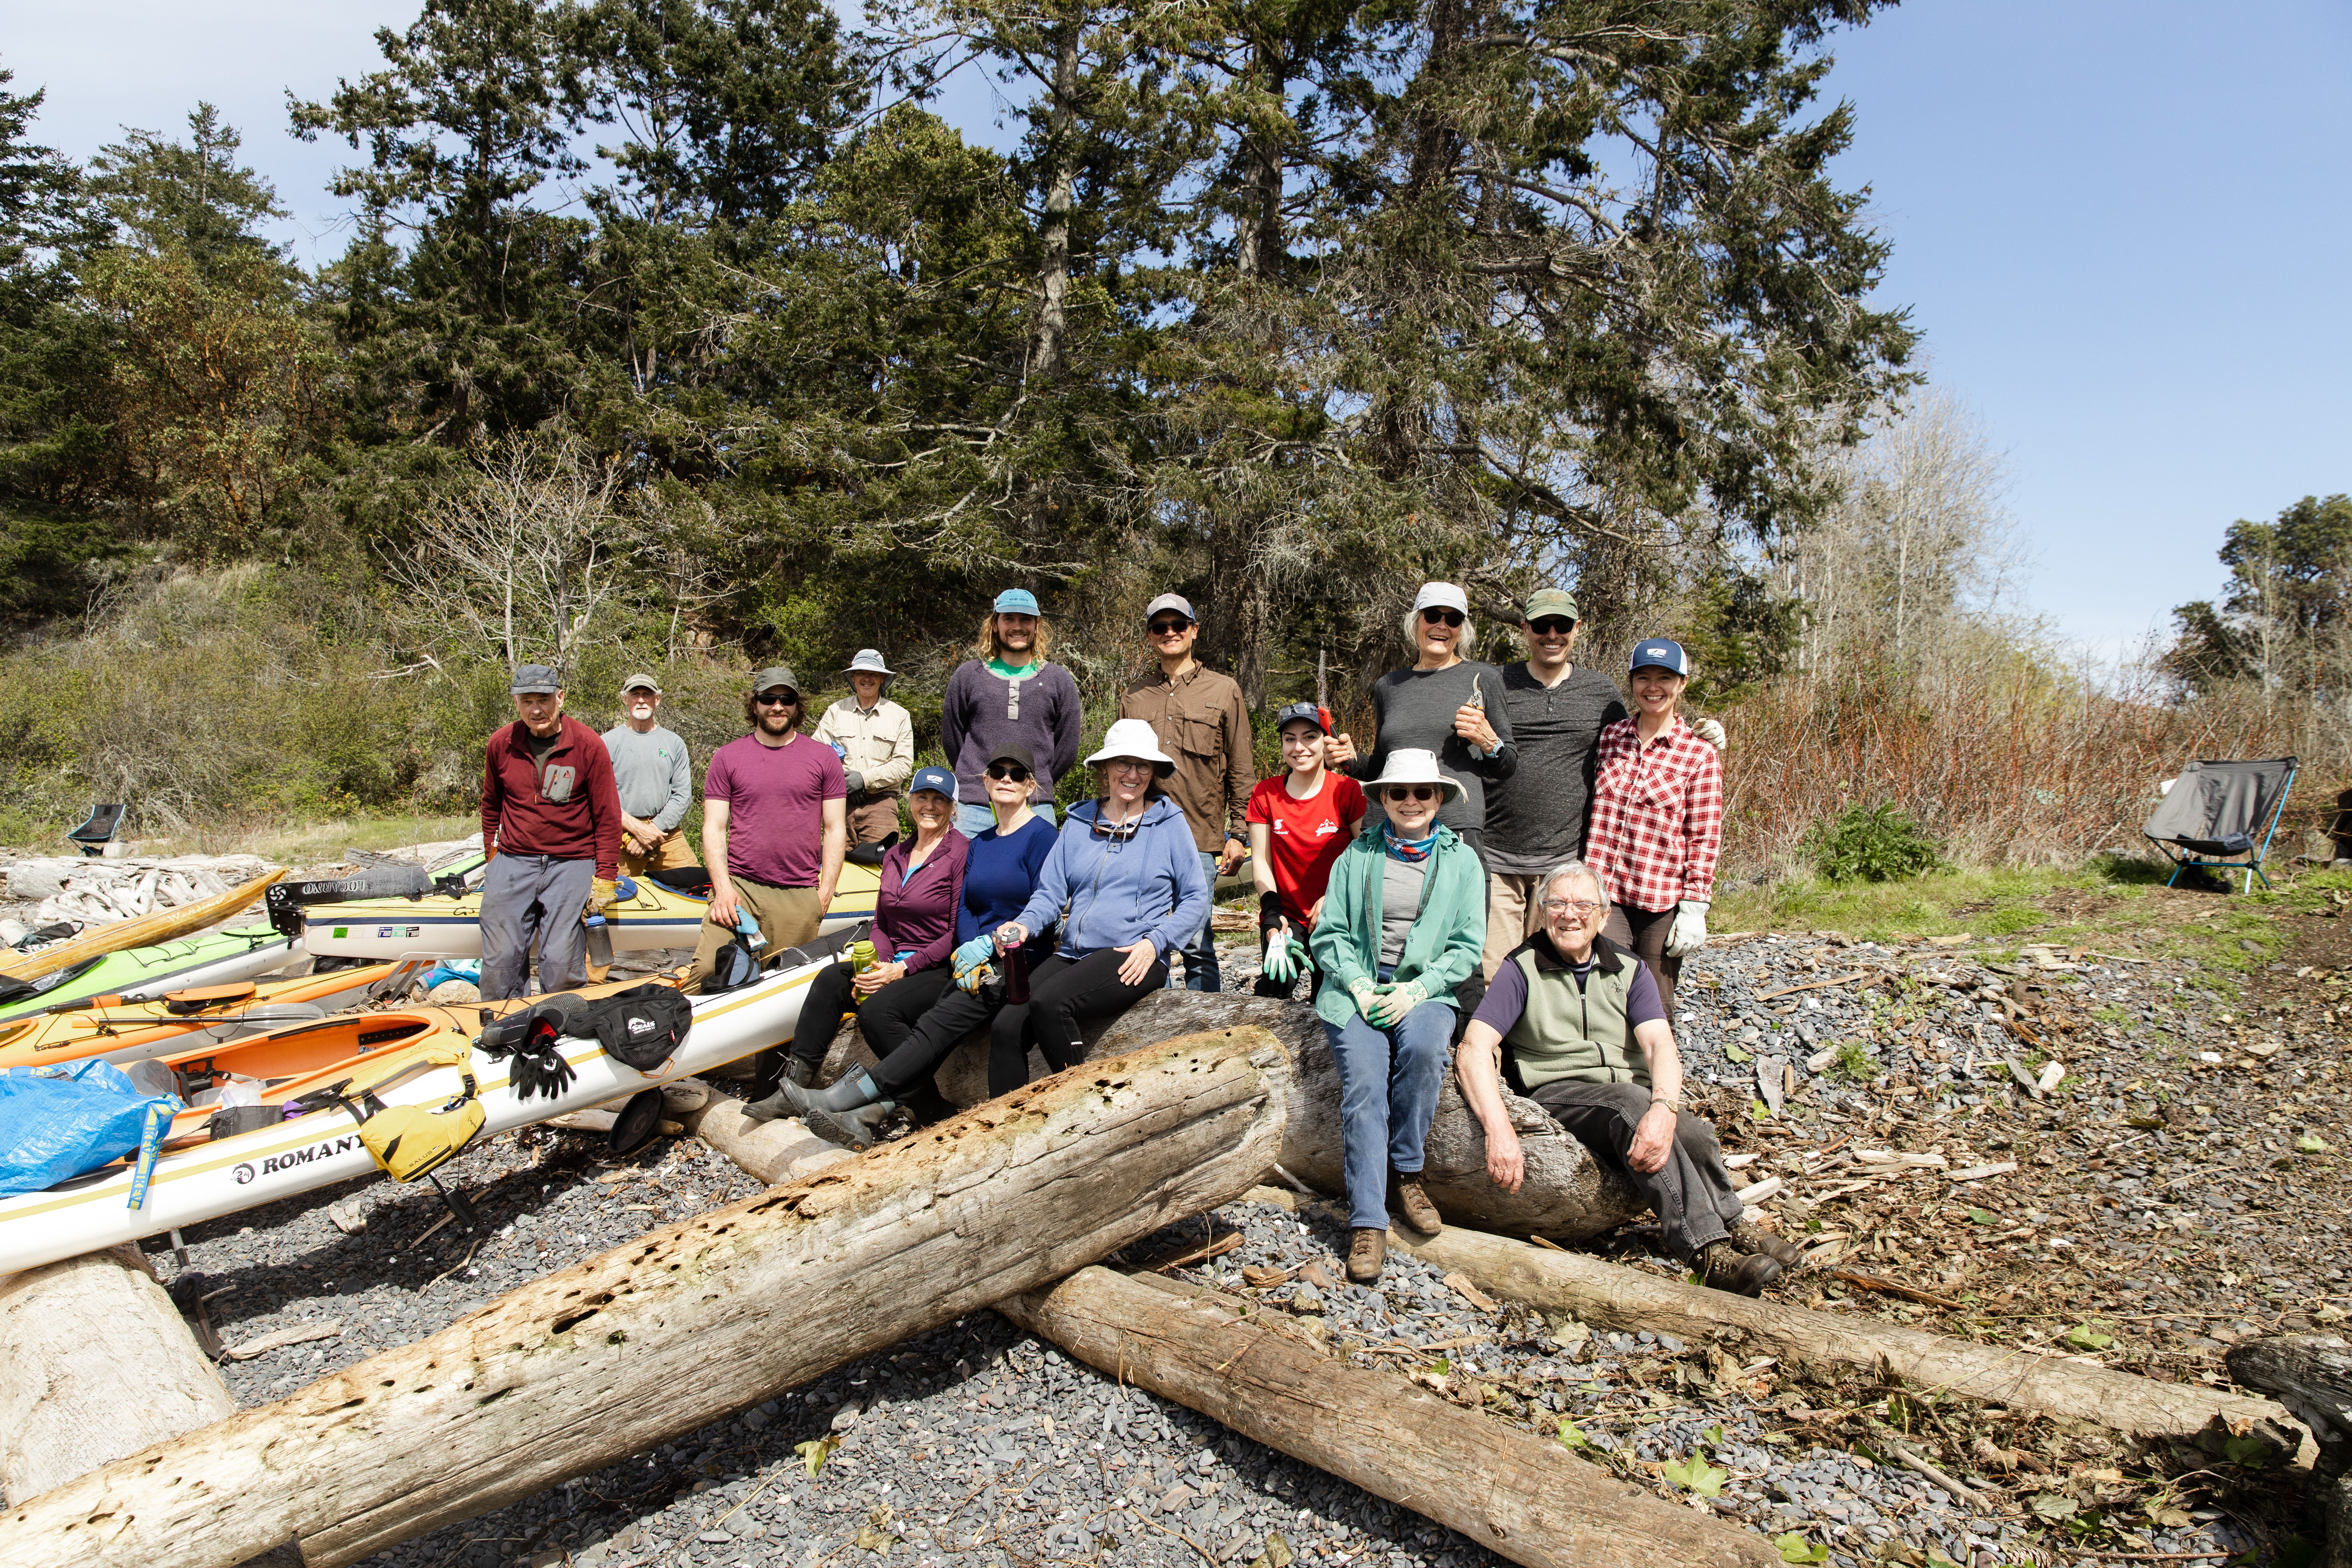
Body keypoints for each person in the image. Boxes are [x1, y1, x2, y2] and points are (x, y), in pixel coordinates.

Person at [1457, 858, 1799, 1296]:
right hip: (1561, 1092)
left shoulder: (1628, 967)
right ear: (1542, 912)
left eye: (1584, 904)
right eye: (1558, 903)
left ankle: (1734, 1221)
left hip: (1627, 1093)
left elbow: (1660, 1045)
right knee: (1629, 1105)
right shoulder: (1520, 969)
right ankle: (1707, 1251)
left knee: (1693, 1133)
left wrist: (1666, 1108)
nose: (1570, 914)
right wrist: (1499, 1127)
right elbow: (1474, 1050)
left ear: (1603, 915)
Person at [1308, 748, 1487, 1284]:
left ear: (1438, 800)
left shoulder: (1462, 862)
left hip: (1425, 991)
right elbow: (1330, 933)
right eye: (1399, 792)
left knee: (1426, 1050)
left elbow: (1466, 946)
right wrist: (1359, 984)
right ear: (1383, 799)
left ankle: (1408, 1170)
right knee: (1364, 1084)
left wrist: (1419, 991)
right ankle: (1368, 1220)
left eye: (1422, 793)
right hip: (1357, 987)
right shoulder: (1356, 857)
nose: (1411, 802)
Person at [990, 719, 1210, 1096]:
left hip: (1133, 952)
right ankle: (1000, 1129)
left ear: (1154, 771)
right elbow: (1050, 893)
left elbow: (1195, 898)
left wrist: (1156, 942)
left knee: (1049, 1003)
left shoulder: (1169, 823)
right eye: (1123, 763)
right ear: (1105, 768)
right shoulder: (1078, 821)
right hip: (1074, 952)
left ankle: (1075, 1109)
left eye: (1143, 765)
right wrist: (1025, 925)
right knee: (1006, 1026)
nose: (1133, 774)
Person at [752, 767, 968, 1142]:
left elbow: (956, 933)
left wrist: (898, 970)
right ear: (910, 801)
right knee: (829, 981)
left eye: (940, 800)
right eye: (922, 797)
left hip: (935, 966)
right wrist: (874, 965)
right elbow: (881, 922)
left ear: (953, 807)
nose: (929, 806)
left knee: (876, 1012)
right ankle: (792, 1089)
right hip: (892, 959)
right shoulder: (897, 854)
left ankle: (930, 1106)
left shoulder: (960, 853)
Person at [1477, 589, 1626, 979]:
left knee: (1553, 971)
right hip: (1497, 857)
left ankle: (1544, 1042)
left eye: (1562, 626)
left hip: (1565, 864)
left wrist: (1698, 738)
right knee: (1497, 972)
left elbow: (1636, 745)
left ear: (1578, 629)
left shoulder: (1601, 693)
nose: (1552, 634)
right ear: (1525, 629)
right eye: (1542, 626)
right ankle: (1492, 1043)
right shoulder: (1496, 682)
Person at [1118, 593, 1252, 992]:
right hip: (1141, 837)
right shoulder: (1134, 696)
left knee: (1197, 944)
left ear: (1194, 631)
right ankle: (1154, 1028)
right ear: (1150, 637)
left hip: (1199, 838)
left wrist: (1239, 833)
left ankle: (1204, 1030)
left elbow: (1242, 765)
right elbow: (1117, 770)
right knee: (1143, 941)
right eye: (1161, 627)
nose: (1170, 633)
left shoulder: (1224, 690)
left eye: (1179, 625)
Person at [1327, 580, 1516, 862]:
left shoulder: (1482, 678)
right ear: (1416, 621)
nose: (1442, 625)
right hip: (1387, 826)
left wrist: (1489, 742)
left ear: (1461, 629)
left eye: (1452, 619)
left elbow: (1507, 765)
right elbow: (1382, 766)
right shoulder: (1389, 685)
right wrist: (1350, 760)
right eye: (1432, 616)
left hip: (1454, 826)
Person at [1584, 638, 1722, 1021]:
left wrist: (1696, 905)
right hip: (1606, 890)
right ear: (1632, 683)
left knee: (1655, 1000)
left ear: (1682, 683)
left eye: (1665, 677)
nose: (1653, 687)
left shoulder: (1699, 754)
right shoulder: (1611, 739)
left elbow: (1705, 835)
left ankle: (1657, 1078)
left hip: (1660, 897)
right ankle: (1603, 1078)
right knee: (1605, 988)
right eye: (1644, 677)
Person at [686, 666, 848, 989]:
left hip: (799, 894)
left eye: (786, 698)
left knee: (779, 986)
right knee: (707, 973)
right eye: (769, 698)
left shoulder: (824, 759)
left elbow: (835, 829)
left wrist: (825, 893)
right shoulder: (727, 757)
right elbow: (714, 828)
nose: (778, 706)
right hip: (739, 889)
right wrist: (722, 888)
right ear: (755, 704)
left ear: (797, 705)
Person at [478, 664, 623, 1000]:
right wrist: (492, 856)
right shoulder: (501, 744)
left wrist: (605, 877)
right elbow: (490, 805)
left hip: (571, 861)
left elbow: (607, 816)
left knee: (560, 963)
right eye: (526, 701)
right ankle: (504, 1026)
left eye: (543, 699)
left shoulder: (588, 745)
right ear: (516, 704)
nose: (536, 709)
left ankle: (561, 1027)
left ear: (560, 697)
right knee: (501, 958)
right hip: (514, 859)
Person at [1246, 701, 1366, 1000]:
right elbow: (1260, 861)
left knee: (1330, 997)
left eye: (1310, 737)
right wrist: (1273, 917)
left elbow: (1366, 856)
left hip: (1338, 914)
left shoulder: (1348, 791)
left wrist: (1335, 898)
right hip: (1286, 915)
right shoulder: (1265, 793)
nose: (1299, 748)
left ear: (1326, 741)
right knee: (1277, 985)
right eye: (1290, 739)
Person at [940, 589, 1082, 838]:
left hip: (1035, 806)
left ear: (1037, 625)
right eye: (1009, 619)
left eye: (1026, 619)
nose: (1018, 626)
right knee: (965, 876)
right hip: (973, 808)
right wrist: (979, 777)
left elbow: (1067, 748)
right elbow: (953, 741)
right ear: (995, 625)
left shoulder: (1058, 681)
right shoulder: (968, 676)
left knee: (1038, 877)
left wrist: (1030, 781)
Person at [812, 649, 916, 846]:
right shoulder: (836, 712)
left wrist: (863, 780)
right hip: (840, 804)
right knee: (836, 865)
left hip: (882, 805)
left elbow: (903, 765)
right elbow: (817, 755)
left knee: (882, 869)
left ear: (882, 679)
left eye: (873, 674)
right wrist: (847, 783)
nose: (867, 679)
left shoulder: (900, 716)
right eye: (861, 673)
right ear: (853, 677)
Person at [602, 673, 696, 879]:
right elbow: (601, 797)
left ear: (658, 699)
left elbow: (682, 796)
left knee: (696, 887)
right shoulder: (606, 743)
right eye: (635, 694)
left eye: (648, 694)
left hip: (666, 834)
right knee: (608, 895)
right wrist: (635, 830)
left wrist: (653, 829)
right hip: (621, 835)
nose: (642, 700)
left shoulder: (674, 743)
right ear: (625, 699)